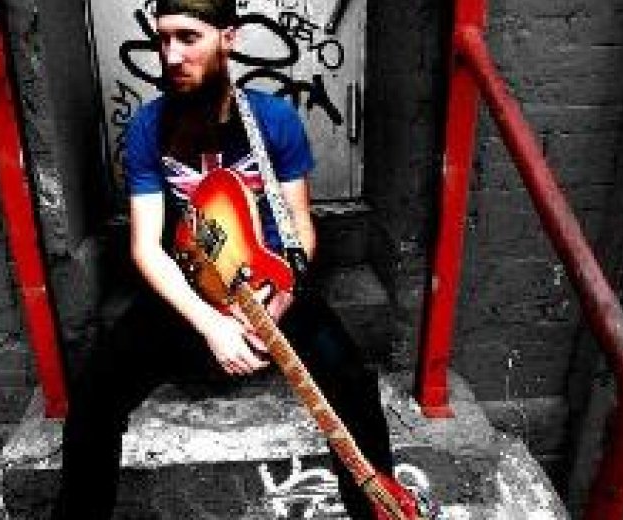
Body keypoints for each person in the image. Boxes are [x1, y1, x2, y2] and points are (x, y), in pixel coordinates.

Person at [55, 1, 394, 517]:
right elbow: (146, 246)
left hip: (269, 284)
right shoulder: (148, 127)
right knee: (93, 401)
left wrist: (282, 293)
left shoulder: (273, 119)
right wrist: (211, 324)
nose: (172, 54)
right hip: (192, 288)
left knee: (355, 392)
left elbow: (300, 227)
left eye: (189, 37)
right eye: (163, 39)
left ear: (228, 39)